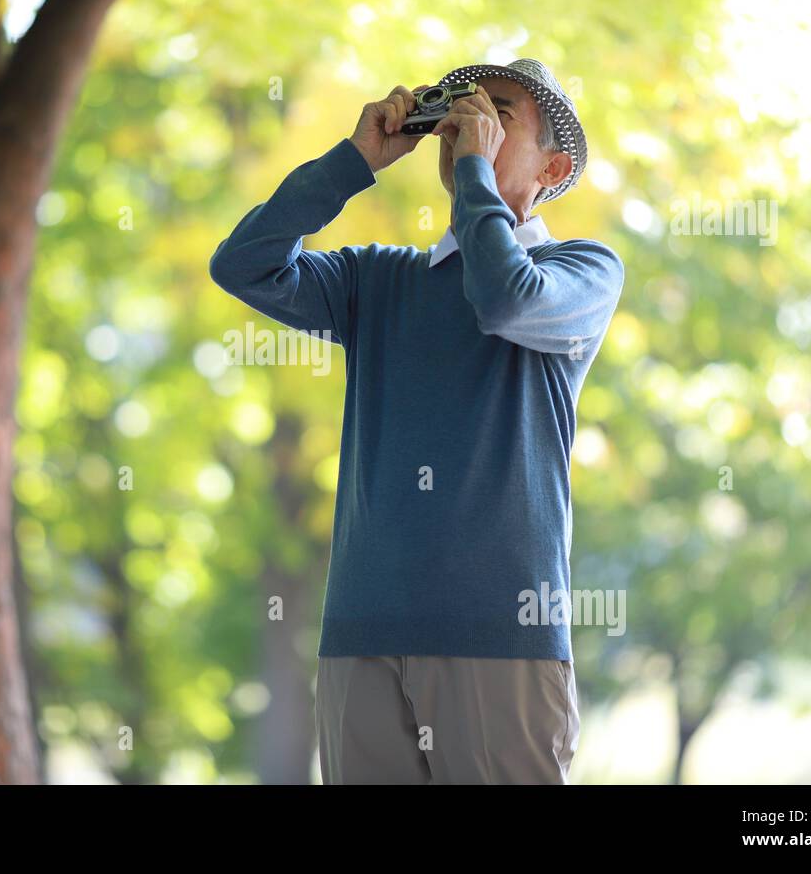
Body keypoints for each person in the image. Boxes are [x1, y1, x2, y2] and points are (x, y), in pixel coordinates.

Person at [209, 60, 623, 783]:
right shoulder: (379, 279)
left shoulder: (582, 271)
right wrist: (353, 163)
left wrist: (474, 178)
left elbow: (503, 298)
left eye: (499, 114)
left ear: (552, 167)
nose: (471, 122)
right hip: (359, 640)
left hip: (501, 640)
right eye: (464, 109)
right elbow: (243, 265)